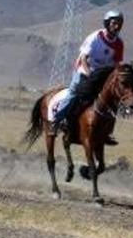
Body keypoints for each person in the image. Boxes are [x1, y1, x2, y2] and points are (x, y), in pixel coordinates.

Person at [51, 9, 125, 145]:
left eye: (120, 23)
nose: (117, 26)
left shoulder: (119, 43)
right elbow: (84, 58)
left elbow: (116, 63)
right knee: (74, 93)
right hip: (84, 70)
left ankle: (107, 133)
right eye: (114, 23)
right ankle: (58, 120)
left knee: (111, 100)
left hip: (103, 74)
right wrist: (88, 73)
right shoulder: (95, 37)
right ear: (107, 23)